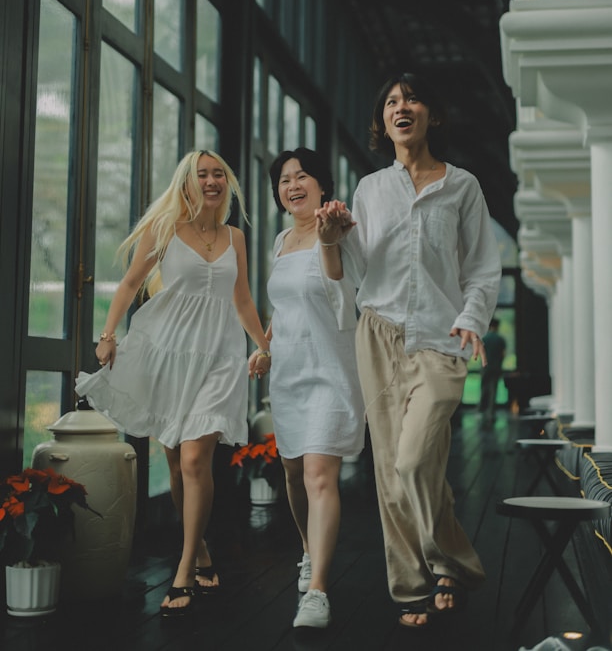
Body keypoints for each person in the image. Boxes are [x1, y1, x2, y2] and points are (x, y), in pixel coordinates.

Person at [315, 73, 501, 629]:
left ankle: (452, 559)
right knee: (393, 474)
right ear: (384, 121)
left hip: (442, 341)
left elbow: (483, 270)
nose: (402, 107)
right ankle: (414, 584)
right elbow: (345, 269)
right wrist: (331, 234)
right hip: (379, 334)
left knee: (415, 458)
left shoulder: (462, 186)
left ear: (431, 116)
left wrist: (471, 321)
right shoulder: (370, 190)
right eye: (392, 101)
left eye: (413, 98)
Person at [76, 150, 271, 618]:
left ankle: (182, 570)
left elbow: (241, 297)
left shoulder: (235, 237)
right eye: (201, 174)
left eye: (218, 173)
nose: (211, 180)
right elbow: (128, 284)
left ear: (228, 183)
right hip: (168, 354)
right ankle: (199, 547)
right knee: (180, 465)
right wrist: (107, 337)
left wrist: (264, 345)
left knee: (195, 456)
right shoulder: (164, 230)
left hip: (220, 358)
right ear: (186, 183)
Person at [248, 148, 365, 630]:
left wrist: (330, 242)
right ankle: (306, 548)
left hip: (332, 370)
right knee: (294, 476)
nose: (292, 184)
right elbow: (284, 305)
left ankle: (317, 589)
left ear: (322, 185)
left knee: (319, 476)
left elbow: (343, 298)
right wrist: (265, 345)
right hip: (290, 373)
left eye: (302, 176)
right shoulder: (279, 241)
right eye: (284, 179)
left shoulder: (340, 229)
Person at [479, 317, 506, 429]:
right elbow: (503, 354)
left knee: (484, 388)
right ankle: (491, 411)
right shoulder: (500, 339)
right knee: (493, 390)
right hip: (496, 367)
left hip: (485, 367)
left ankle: (481, 410)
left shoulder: (484, 338)